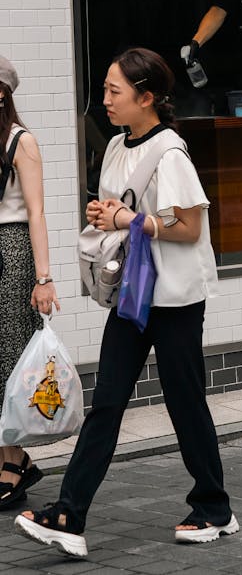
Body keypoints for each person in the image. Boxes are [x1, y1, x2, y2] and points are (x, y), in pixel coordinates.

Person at [16, 47, 238, 558]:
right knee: (108, 402)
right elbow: (121, 209)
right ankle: (69, 513)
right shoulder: (116, 145)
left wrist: (127, 221)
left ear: (148, 97)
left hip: (176, 299)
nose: (106, 100)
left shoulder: (171, 152)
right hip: (132, 294)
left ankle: (214, 507)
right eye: (106, 90)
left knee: (185, 402)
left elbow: (190, 228)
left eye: (115, 91)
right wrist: (105, 212)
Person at [0, 56, 60, 510]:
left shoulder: (22, 141)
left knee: (10, 358)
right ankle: (12, 459)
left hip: (12, 253)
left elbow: (37, 212)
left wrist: (44, 278)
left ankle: (13, 460)